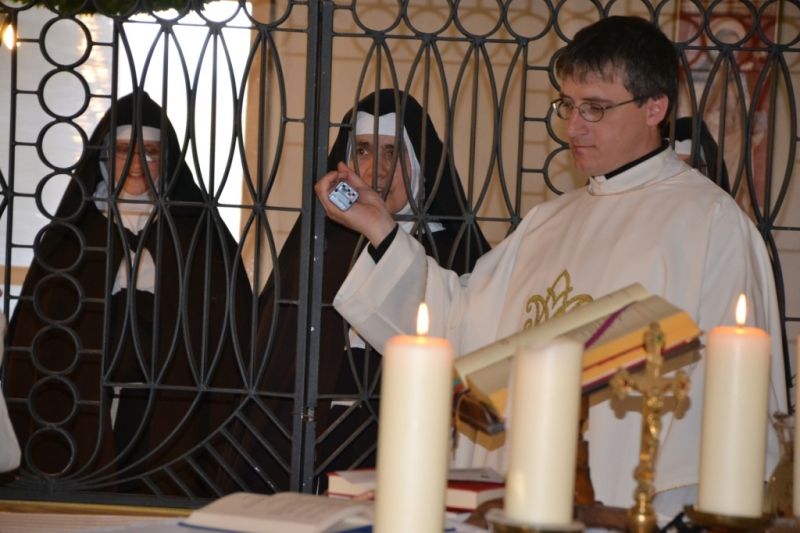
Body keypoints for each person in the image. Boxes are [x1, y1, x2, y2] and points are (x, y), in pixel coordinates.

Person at [314, 17, 787, 521]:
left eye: (595, 108)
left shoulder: (710, 225)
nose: (573, 127)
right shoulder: (548, 221)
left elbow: (723, 405)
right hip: (521, 505)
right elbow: (459, 324)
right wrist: (380, 228)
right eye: (568, 105)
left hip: (632, 510)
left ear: (655, 107)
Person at [218, 89, 490, 493]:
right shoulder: (320, 248)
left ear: (420, 162)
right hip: (313, 442)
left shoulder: (456, 253)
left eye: (392, 152)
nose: (377, 170)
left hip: (407, 444)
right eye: (363, 150)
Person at [5, 91, 252, 494]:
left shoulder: (198, 232)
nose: (137, 165)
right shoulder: (73, 236)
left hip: (172, 408)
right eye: (124, 151)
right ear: (104, 156)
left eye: (150, 152)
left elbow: (229, 325)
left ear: (166, 159)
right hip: (83, 403)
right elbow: (40, 328)